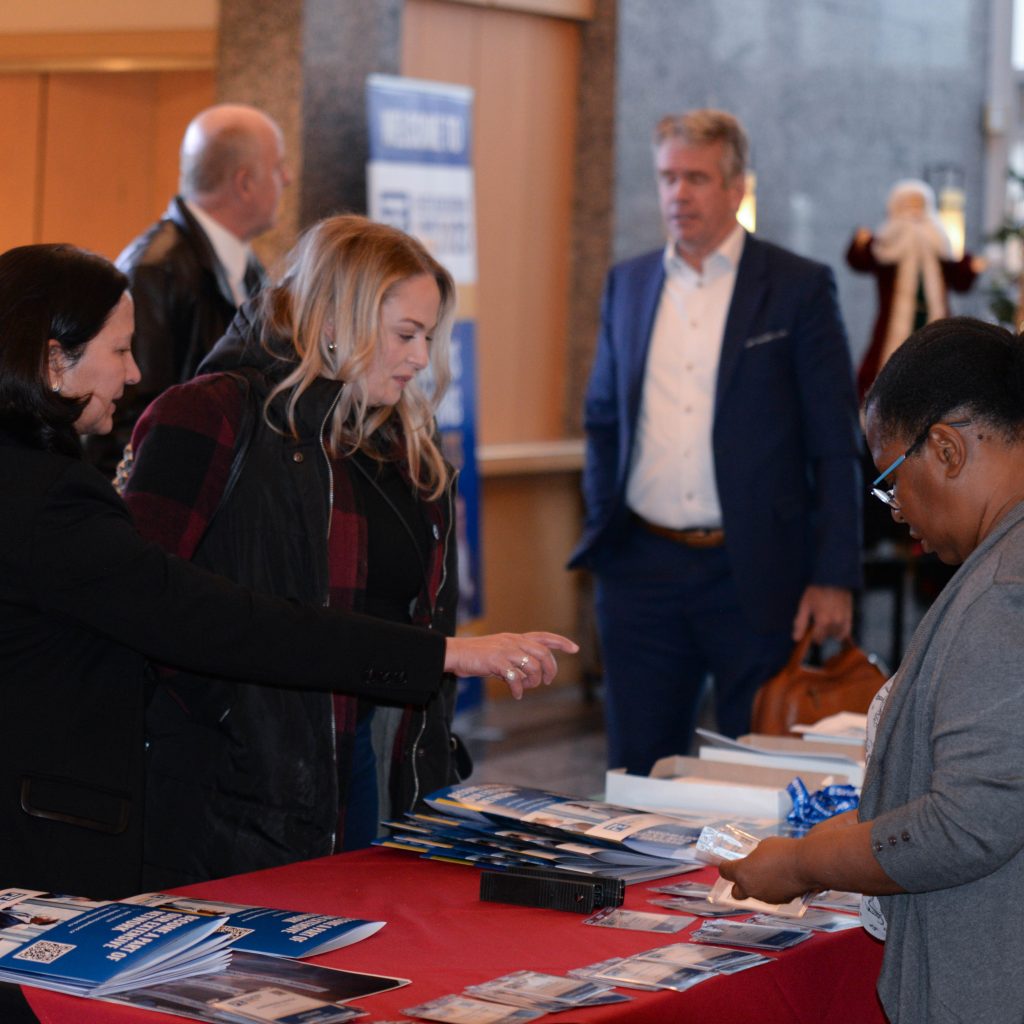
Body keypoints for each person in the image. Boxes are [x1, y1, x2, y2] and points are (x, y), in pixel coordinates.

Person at [0, 242, 576, 899]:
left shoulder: (400, 444)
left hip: (344, 756)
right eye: (122, 350)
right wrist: (442, 654)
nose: (135, 374)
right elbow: (211, 619)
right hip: (153, 800)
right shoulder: (58, 492)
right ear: (54, 361)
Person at [121, 214, 545, 884]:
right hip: (234, 789)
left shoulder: (405, 449)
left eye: (428, 337)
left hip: (370, 764)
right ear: (334, 319)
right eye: (405, 334)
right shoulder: (211, 413)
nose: (420, 358)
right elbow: (141, 605)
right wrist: (229, 719)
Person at [720, 316, 1024, 1023]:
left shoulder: (1004, 590)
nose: (895, 513)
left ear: (946, 448)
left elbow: (968, 825)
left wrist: (803, 863)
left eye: (890, 482)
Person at [568, 109, 862, 775]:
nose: (678, 193)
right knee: (638, 774)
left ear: (735, 187)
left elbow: (834, 441)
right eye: (668, 177)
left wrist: (834, 575)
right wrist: (603, 524)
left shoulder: (797, 287)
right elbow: (603, 419)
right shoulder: (627, 284)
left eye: (696, 178)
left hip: (755, 571)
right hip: (641, 569)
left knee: (757, 774)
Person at [83, 103, 290, 476]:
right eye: (278, 167)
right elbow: (124, 418)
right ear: (245, 183)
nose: (288, 179)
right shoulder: (153, 270)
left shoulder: (249, 265)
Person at [847, 179, 983, 401]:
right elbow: (861, 261)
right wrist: (859, 245)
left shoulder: (941, 242)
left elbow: (959, 280)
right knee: (887, 364)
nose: (914, 210)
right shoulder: (887, 243)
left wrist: (970, 267)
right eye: (908, 204)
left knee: (938, 364)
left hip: (934, 317)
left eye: (919, 203)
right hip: (894, 322)